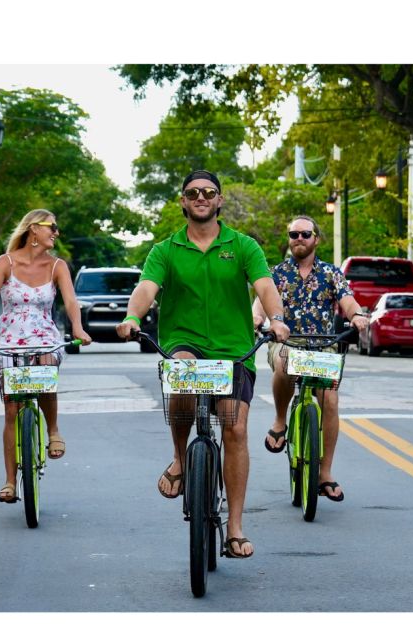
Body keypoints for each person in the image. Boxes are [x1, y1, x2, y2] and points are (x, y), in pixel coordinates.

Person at [115, 170, 289, 559]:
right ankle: (180, 458)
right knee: (180, 377)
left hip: (234, 348)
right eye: (193, 192)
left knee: (236, 429)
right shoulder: (166, 249)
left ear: (219, 200)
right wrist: (132, 317)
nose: (201, 197)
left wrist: (276, 318)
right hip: (185, 341)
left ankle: (236, 527)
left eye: (209, 192)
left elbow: (264, 286)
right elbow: (147, 288)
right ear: (183, 200)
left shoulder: (243, 246)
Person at [0, 209, 91, 503]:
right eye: (52, 227)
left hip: (44, 334)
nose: (56, 233)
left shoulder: (58, 265)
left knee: (46, 370)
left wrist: (78, 328)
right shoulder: (5, 262)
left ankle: (54, 430)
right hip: (9, 335)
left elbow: (71, 301)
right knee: (11, 410)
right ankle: (10, 481)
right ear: (34, 228)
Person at [251, 215, 369, 502]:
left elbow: (348, 300)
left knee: (330, 398)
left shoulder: (332, 274)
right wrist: (256, 319)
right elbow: (261, 304)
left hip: (323, 347)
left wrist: (356, 316)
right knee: (283, 362)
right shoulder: (276, 274)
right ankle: (280, 421)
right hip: (286, 342)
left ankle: (325, 472)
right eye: (294, 235)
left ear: (316, 239)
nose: (299, 239)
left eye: (305, 234)